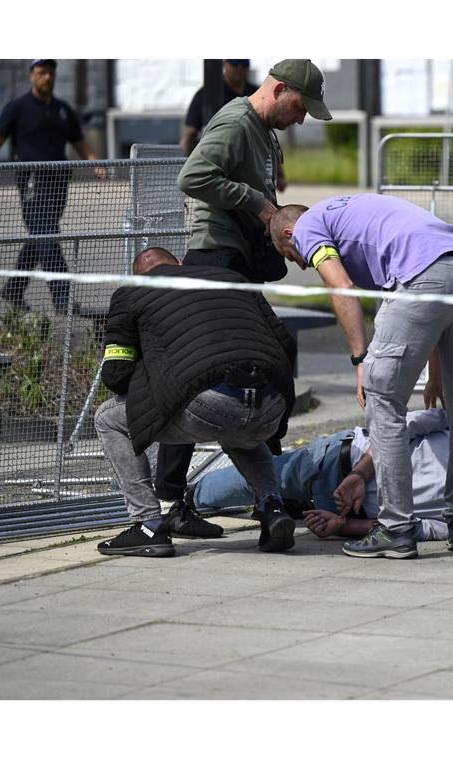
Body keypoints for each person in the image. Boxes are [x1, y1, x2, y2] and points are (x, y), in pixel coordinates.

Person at [269, 194, 453, 559]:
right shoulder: (355, 218)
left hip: (425, 276)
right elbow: (435, 304)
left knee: (382, 398)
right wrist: (435, 375)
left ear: (289, 232)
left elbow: (341, 288)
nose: (299, 264)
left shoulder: (309, 227)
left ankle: (395, 529)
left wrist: (362, 358)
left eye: (289, 254)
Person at [157, 59, 331, 532]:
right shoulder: (237, 121)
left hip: (238, 262)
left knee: (262, 360)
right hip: (214, 259)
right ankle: (178, 504)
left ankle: (268, 496)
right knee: (200, 373)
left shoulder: (264, 133)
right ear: (277, 89)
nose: (301, 118)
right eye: (300, 107)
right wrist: (259, 204)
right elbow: (192, 177)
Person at [94, 247, 298, 558]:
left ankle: (148, 525)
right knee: (240, 426)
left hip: (211, 404)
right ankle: (272, 508)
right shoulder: (232, 279)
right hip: (270, 403)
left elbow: (115, 374)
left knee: (108, 418)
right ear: (178, 263)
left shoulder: (132, 293)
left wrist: (154, 376)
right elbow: (284, 342)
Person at [190, 408, 453, 543]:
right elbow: (420, 528)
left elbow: (403, 427)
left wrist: (358, 473)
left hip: (345, 458)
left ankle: (187, 500)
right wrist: (341, 525)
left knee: (266, 477)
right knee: (278, 495)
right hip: (346, 511)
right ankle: (274, 510)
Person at [0, 59, 106, 314]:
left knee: (40, 235)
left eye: (51, 73)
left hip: (58, 182)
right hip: (32, 181)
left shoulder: (63, 110)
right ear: (31, 76)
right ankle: (62, 298)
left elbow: (80, 143)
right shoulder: (17, 108)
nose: (47, 77)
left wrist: (96, 163)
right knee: (47, 234)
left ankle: (13, 289)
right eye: (41, 72)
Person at [180, 59, 288, 192]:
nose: (240, 68)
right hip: (221, 167)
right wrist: (187, 166)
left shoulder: (256, 94)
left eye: (244, 63)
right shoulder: (206, 94)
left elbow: (268, 139)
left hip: (251, 170)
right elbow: (189, 135)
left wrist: (279, 175)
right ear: (224, 63)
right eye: (235, 62)